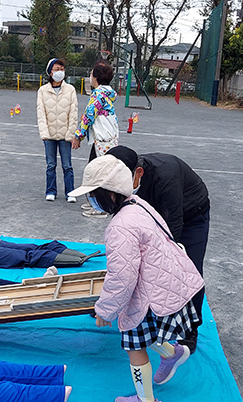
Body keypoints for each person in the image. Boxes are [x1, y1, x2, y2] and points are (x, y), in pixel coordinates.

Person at [68, 155, 204, 402]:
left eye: (93, 195)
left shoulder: (120, 227)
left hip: (152, 293)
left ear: (108, 194)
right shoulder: (139, 204)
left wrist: (105, 311)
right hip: (171, 283)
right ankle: (172, 352)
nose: (91, 202)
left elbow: (121, 277)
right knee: (148, 332)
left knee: (133, 342)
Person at [106, 146, 210, 354]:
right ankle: (129, 306)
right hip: (155, 213)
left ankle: (191, 329)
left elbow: (174, 225)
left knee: (188, 268)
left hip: (191, 215)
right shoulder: (130, 181)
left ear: (138, 173)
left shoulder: (166, 177)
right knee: (134, 263)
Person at [72, 60, 119, 218]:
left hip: (102, 140)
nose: (90, 76)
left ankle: (101, 207)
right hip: (107, 138)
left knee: (99, 173)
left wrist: (78, 136)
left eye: (92, 73)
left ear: (96, 77)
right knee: (95, 170)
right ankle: (96, 202)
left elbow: (88, 116)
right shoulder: (108, 93)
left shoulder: (98, 95)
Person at [36, 57, 79, 202]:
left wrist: (70, 133)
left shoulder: (70, 90)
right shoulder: (43, 91)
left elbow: (73, 113)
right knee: (50, 165)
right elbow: (41, 113)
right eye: (56, 69)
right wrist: (44, 133)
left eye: (62, 69)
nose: (60, 72)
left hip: (65, 134)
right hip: (49, 134)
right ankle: (51, 191)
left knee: (67, 165)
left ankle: (70, 192)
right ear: (50, 72)